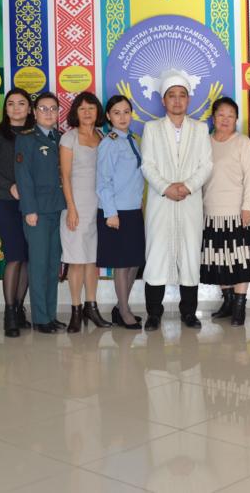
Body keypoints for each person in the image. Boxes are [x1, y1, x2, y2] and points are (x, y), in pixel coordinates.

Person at [140, 69, 214, 331]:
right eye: (172, 95)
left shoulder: (200, 129)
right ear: (164, 100)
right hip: (161, 202)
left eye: (182, 95)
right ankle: (153, 313)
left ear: (188, 99)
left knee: (190, 256)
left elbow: (206, 165)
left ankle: (189, 313)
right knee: (157, 256)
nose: (177, 100)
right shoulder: (152, 128)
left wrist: (188, 187)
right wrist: (166, 188)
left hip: (189, 202)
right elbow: (147, 165)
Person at [0, 88, 33, 337]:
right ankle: (9, 312)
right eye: (11, 103)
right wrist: (9, 186)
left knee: (27, 257)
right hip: (3, 201)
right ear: (5, 108)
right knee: (14, 255)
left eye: (21, 103)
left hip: (31, 203)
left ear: (29, 108)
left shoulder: (36, 133)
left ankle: (20, 308)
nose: (16, 108)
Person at [201, 97, 250, 327]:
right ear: (213, 118)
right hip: (210, 211)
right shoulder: (204, 143)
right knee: (218, 260)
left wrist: (248, 206)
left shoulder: (243, 143)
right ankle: (228, 301)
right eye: (221, 115)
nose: (225, 119)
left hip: (237, 212)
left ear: (236, 119)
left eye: (230, 116)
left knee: (239, 260)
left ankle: (239, 306)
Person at [16, 92, 68, 333]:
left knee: (52, 264)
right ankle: (40, 318)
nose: (48, 113)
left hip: (57, 208)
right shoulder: (26, 139)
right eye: (43, 109)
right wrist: (29, 209)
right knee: (38, 265)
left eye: (53, 109)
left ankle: (50, 314)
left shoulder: (61, 138)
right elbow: (23, 176)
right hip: (37, 211)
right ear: (34, 113)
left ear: (58, 113)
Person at [96, 95, 146, 330]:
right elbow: (103, 181)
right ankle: (124, 311)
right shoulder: (109, 142)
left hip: (133, 210)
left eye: (126, 111)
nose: (122, 117)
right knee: (122, 264)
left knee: (134, 261)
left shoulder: (133, 139)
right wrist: (111, 212)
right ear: (108, 116)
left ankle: (120, 306)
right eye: (117, 112)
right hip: (116, 212)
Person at [61, 91, 110, 332]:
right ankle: (76, 310)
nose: (87, 112)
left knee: (92, 260)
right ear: (76, 113)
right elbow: (65, 175)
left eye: (91, 108)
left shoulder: (103, 137)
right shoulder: (69, 138)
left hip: (98, 206)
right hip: (77, 206)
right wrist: (71, 208)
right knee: (76, 261)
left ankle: (92, 306)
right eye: (82, 108)